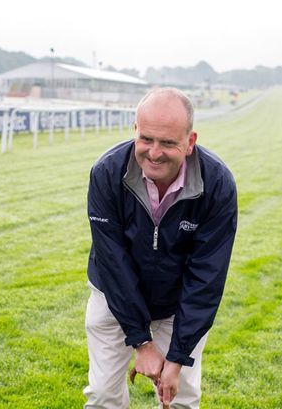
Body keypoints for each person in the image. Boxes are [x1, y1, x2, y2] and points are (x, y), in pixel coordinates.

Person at [84, 88, 238, 408]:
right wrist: (141, 342)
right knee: (102, 396)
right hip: (114, 296)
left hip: (176, 303)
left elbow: (206, 277)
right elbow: (113, 263)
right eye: (147, 139)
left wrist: (178, 357)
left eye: (168, 143)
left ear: (190, 140)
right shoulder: (107, 173)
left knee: (180, 398)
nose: (154, 153)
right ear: (135, 131)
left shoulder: (218, 184)